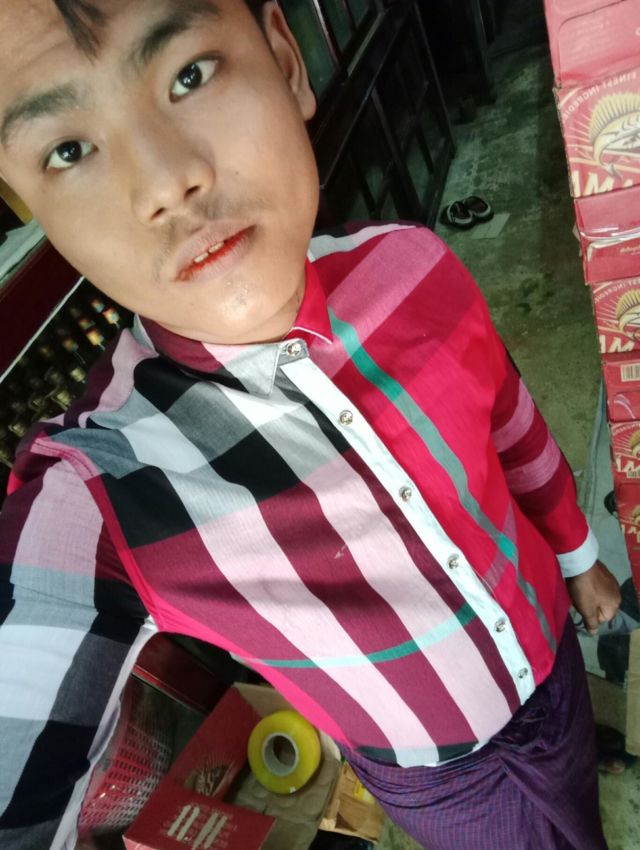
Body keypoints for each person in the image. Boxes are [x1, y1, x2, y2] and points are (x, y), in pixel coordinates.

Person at [0, 1, 622, 849]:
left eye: (189, 74)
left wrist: (579, 557)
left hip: (554, 660)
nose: (165, 182)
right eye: (69, 149)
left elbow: (511, 420)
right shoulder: (101, 488)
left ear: (286, 63)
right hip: (438, 779)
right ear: (40, 212)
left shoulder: (413, 264)